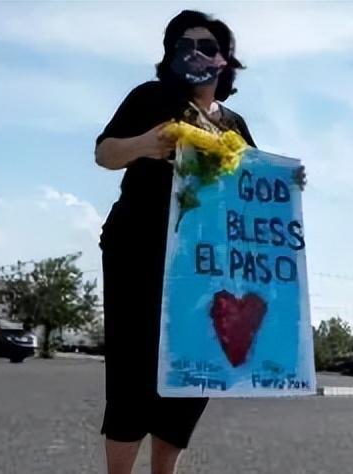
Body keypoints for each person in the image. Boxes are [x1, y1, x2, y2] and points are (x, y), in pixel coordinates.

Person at [94, 11, 256, 474]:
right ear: (170, 57)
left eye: (207, 46)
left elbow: (254, 188)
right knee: (134, 373)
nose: (196, 54)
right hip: (139, 251)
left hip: (206, 265)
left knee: (191, 377)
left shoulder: (235, 125)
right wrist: (146, 144)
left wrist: (288, 188)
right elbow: (105, 152)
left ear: (225, 61)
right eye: (184, 46)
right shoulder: (151, 98)